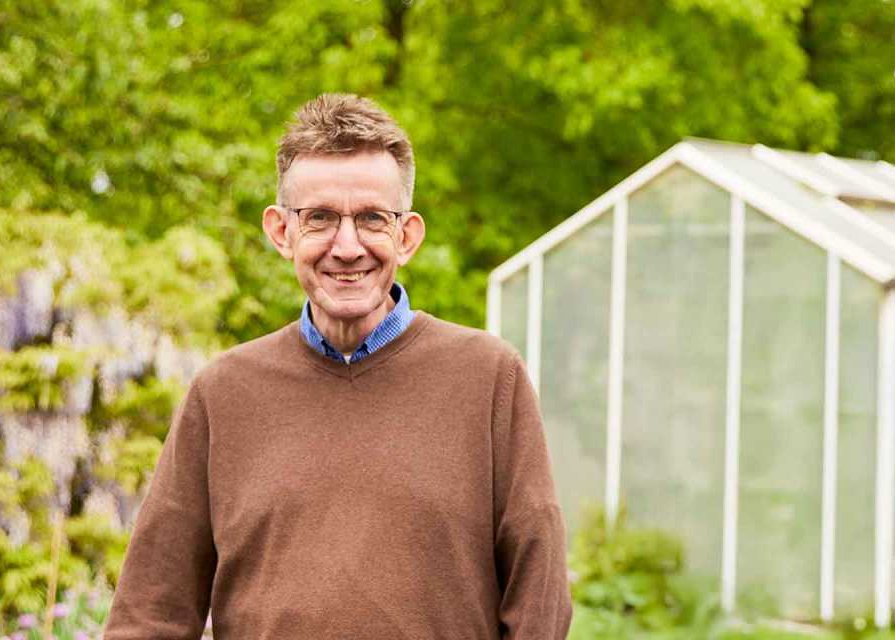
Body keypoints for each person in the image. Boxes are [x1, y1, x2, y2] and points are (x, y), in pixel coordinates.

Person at [102, 93, 572, 639]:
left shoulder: (490, 379)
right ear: (282, 232)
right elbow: (149, 614)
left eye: (372, 218)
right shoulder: (223, 395)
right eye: (320, 218)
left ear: (406, 235)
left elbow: (540, 602)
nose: (347, 247)